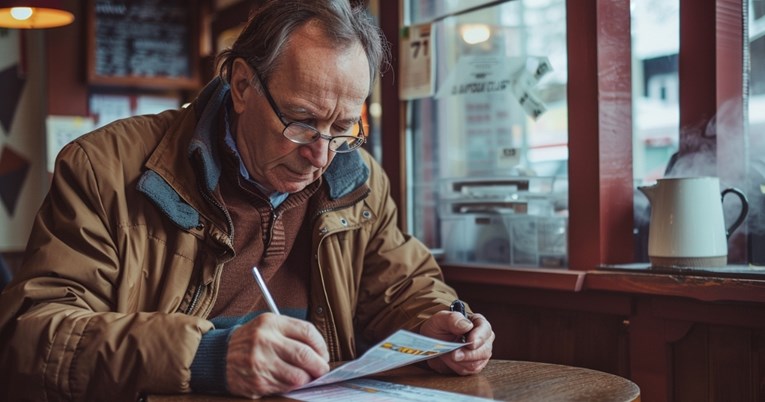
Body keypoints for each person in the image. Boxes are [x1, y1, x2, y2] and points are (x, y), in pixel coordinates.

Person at [0, 0, 494, 400]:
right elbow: (31, 338)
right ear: (241, 86)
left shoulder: (357, 176)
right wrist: (207, 357)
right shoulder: (104, 168)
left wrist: (436, 325)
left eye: (343, 128)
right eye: (300, 120)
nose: (319, 155)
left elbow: (402, 286)